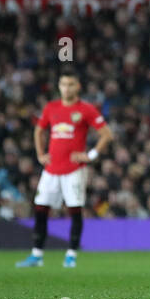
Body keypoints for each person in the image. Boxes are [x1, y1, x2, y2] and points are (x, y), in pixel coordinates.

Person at [17, 71, 112, 268]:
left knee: (74, 210)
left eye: (70, 84)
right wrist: (40, 154)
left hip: (74, 169)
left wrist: (91, 155)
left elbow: (106, 134)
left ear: (78, 87)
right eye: (63, 84)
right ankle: (37, 255)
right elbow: (39, 130)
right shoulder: (51, 107)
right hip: (51, 169)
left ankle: (71, 255)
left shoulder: (86, 109)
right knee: (41, 208)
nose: (66, 88)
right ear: (59, 86)